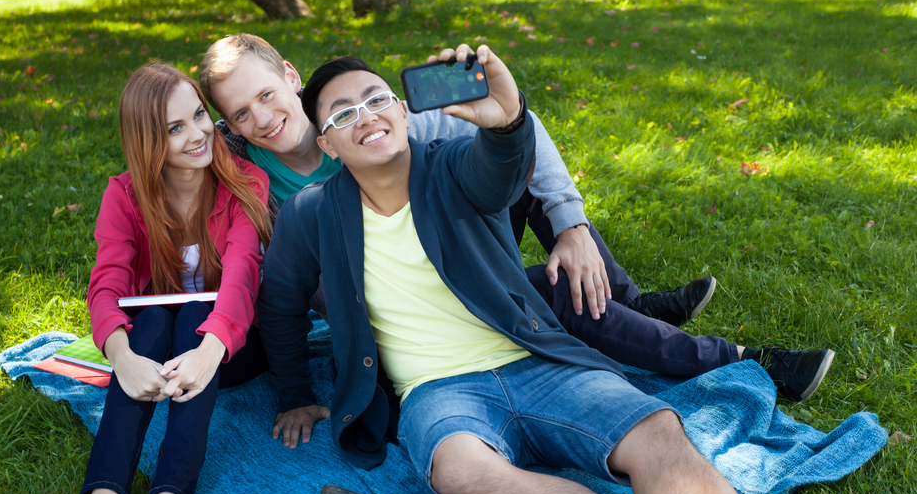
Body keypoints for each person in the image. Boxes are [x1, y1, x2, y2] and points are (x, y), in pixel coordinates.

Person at [256, 47, 916, 494]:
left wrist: (508, 119)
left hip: (536, 361)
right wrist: (293, 392)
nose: (364, 117)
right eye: (342, 114)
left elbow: (503, 166)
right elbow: (280, 303)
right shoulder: (312, 213)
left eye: (375, 99)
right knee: (459, 474)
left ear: (403, 109)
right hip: (439, 392)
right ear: (330, 144)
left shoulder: (453, 162)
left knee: (657, 431)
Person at [198, 33, 836, 412]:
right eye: (240, 112)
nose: (262, 118)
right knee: (546, 292)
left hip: (465, 271)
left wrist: (571, 226)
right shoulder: (248, 184)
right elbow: (281, 286)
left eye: (267, 95)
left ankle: (649, 313)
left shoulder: (392, 123)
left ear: (290, 75)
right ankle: (678, 333)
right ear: (227, 123)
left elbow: (517, 138)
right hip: (411, 318)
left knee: (503, 171)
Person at [45, 63, 272, 494]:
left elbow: (241, 275)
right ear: (149, 141)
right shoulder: (125, 194)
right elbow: (107, 284)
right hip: (157, 342)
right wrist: (122, 357)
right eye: (175, 128)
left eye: (199, 116)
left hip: (232, 347)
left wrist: (209, 350)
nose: (198, 135)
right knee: (145, 321)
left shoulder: (245, 182)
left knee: (196, 305)